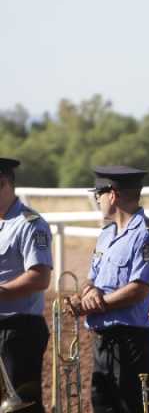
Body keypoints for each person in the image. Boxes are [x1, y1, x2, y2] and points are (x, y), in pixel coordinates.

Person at [67, 166, 149, 413]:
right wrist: (84, 296)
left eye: (97, 194)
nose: (97, 200)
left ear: (113, 194)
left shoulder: (147, 235)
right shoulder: (107, 233)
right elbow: (93, 279)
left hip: (131, 343)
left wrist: (98, 303)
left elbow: (139, 289)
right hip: (104, 342)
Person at [0, 157, 52, 413]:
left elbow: (40, 277)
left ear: (4, 184)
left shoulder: (30, 223)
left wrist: (2, 291)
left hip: (18, 331)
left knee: (21, 408)